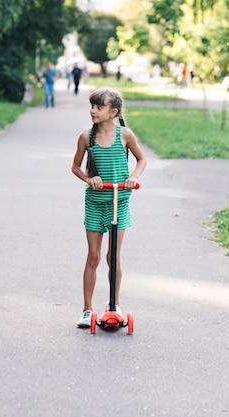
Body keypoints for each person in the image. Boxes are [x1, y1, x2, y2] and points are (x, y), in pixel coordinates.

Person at [70, 87, 147, 328]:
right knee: (93, 256)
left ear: (113, 112)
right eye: (92, 106)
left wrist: (133, 175)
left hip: (119, 201)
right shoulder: (86, 137)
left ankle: (114, 304)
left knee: (113, 256)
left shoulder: (125, 135)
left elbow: (142, 159)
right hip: (95, 201)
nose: (93, 111)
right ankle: (86, 309)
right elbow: (75, 167)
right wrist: (89, 179)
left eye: (99, 107)